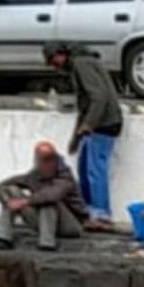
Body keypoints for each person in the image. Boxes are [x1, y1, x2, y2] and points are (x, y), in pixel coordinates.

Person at [43, 42, 123, 231]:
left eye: (52, 60)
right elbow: (85, 103)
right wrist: (76, 137)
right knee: (85, 169)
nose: (53, 66)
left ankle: (101, 214)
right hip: (99, 123)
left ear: (60, 54)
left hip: (104, 124)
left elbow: (99, 96)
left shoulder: (81, 64)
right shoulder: (83, 63)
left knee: (95, 171)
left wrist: (88, 125)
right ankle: (88, 211)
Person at [0, 141, 88, 251]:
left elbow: (52, 195)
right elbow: (1, 185)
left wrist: (24, 202)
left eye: (50, 160)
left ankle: (47, 242)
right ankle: (3, 237)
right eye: (44, 161)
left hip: (70, 225)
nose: (48, 164)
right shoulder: (34, 175)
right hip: (42, 221)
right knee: (12, 191)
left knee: (47, 202)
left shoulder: (65, 177)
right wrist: (7, 200)